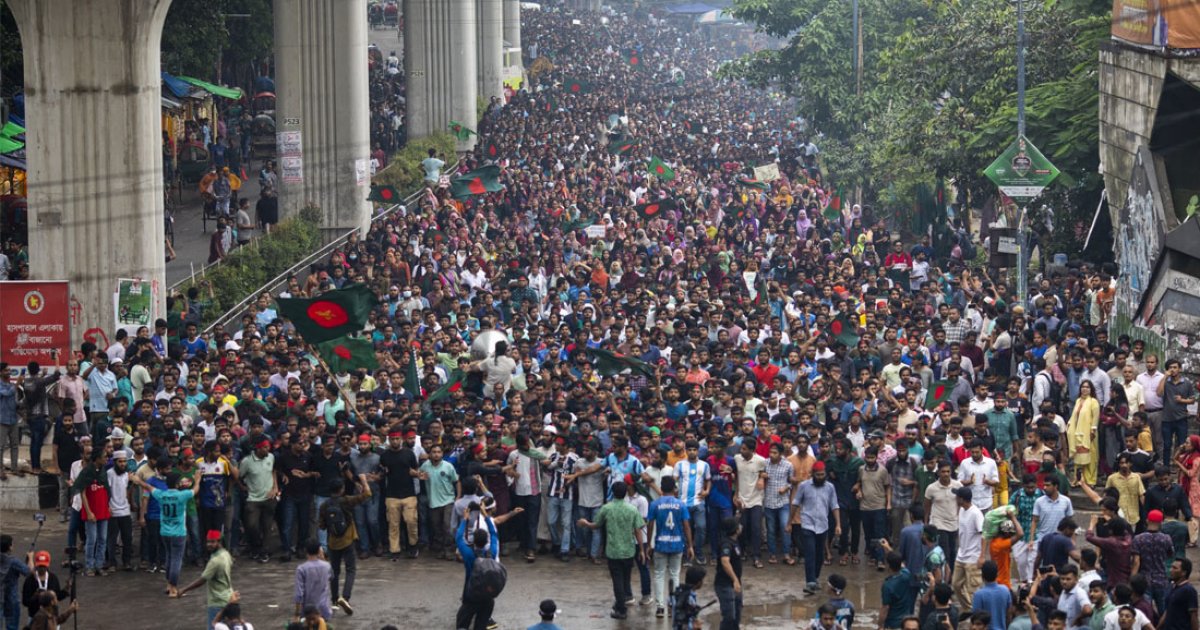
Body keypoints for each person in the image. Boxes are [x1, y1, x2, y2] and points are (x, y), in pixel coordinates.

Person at [577, 480, 646, 620]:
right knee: (625, 578)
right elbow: (638, 529)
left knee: (617, 581)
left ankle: (621, 609)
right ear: (626, 492)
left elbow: (596, 525)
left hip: (613, 551)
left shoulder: (607, 508)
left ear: (613, 493)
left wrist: (586, 523)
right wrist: (642, 550)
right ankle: (624, 600)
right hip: (628, 550)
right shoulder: (632, 509)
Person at [319, 476, 372, 616]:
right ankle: (345, 597)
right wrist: (364, 481)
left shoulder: (324, 505)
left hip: (332, 543)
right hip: (347, 540)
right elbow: (367, 495)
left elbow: (322, 526)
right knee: (350, 569)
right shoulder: (347, 500)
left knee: (334, 572)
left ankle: (335, 600)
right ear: (342, 489)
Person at [792, 460, 841, 593]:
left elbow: (834, 505)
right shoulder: (804, 486)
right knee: (810, 553)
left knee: (820, 555)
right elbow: (795, 503)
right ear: (813, 474)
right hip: (807, 524)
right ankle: (810, 582)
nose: (820, 477)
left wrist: (838, 524)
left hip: (823, 525)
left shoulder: (830, 487)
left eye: (822, 474)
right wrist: (789, 522)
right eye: (818, 475)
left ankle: (815, 578)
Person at [647, 476, 693, 618]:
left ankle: (660, 607)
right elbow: (686, 526)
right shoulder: (681, 505)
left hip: (660, 543)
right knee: (675, 574)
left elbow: (650, 524)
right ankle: (673, 604)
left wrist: (649, 543)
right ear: (675, 489)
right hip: (677, 543)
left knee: (659, 574)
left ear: (661, 488)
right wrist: (690, 545)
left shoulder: (655, 504)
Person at [176, 530, 236, 630]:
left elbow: (203, 579)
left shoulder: (215, 561)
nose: (209, 545)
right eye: (208, 542)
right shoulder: (226, 554)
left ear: (219, 542)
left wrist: (184, 590)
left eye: (212, 542)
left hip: (217, 601)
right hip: (228, 597)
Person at [455, 501, 501, 630]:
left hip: (471, 594)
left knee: (462, 623)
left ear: (474, 541)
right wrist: (485, 515)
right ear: (486, 541)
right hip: (487, 596)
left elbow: (458, 538)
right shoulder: (492, 553)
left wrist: (465, 519)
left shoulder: (469, 555)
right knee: (481, 625)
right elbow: (494, 534)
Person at [952, 487, 984, 612]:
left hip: (973, 557)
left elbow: (984, 535)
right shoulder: (961, 510)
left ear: (961, 499)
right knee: (956, 585)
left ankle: (977, 614)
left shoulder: (976, 513)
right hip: (961, 555)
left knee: (973, 589)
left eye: (957, 496)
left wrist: (981, 555)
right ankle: (969, 609)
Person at [21, 551, 67, 623]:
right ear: (36, 565)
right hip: (34, 617)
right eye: (40, 566)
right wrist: (35, 596)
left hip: (51, 617)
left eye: (44, 566)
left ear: (48, 565)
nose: (42, 569)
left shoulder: (53, 578)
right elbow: (25, 602)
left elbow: (57, 596)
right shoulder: (30, 580)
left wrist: (66, 588)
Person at [714, 516, 744, 630]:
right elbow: (725, 562)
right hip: (725, 585)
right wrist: (735, 579)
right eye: (738, 525)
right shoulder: (726, 544)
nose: (741, 526)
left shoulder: (734, 542)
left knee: (737, 614)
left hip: (735, 584)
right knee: (729, 616)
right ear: (735, 530)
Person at [292, 541, 332, 624]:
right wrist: (323, 557)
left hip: (308, 611)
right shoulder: (327, 566)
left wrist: (297, 613)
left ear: (306, 551)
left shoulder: (302, 569)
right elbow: (332, 577)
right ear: (319, 551)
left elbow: (299, 594)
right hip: (324, 609)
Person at [1157, 558, 1197, 630]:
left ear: (1184, 572)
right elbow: (1167, 611)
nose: (1170, 570)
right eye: (1171, 567)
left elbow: (1193, 615)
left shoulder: (1189, 590)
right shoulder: (1171, 587)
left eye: (1175, 568)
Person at [879, 551, 916, 630]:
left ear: (888, 565)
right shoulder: (906, 574)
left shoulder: (887, 586)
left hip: (893, 623)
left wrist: (880, 625)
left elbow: (885, 607)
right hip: (906, 621)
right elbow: (901, 565)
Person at [971, 560, 1012, 630]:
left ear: (982, 575)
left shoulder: (978, 594)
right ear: (997, 574)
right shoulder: (1005, 590)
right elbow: (1009, 614)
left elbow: (976, 618)